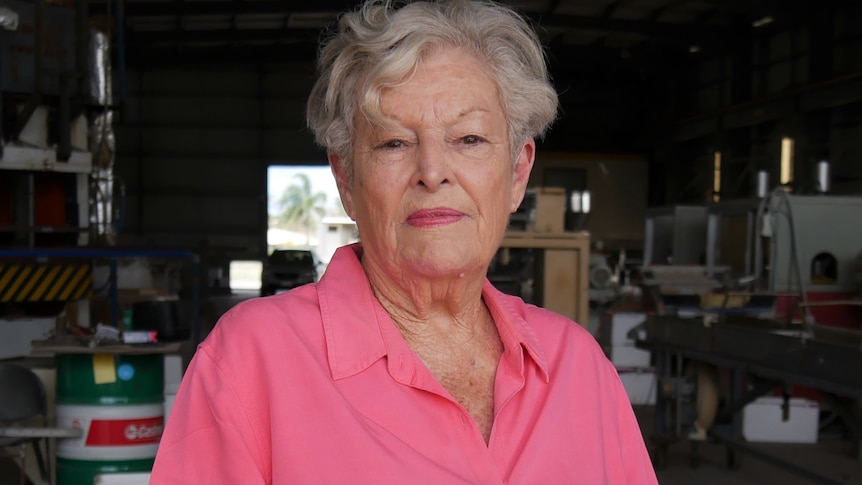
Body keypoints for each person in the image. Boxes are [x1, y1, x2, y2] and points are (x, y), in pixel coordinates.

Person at [150, 0, 658, 483]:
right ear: (346, 178)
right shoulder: (250, 362)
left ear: (518, 172)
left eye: (469, 139)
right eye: (394, 142)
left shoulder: (580, 368)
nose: (433, 172)